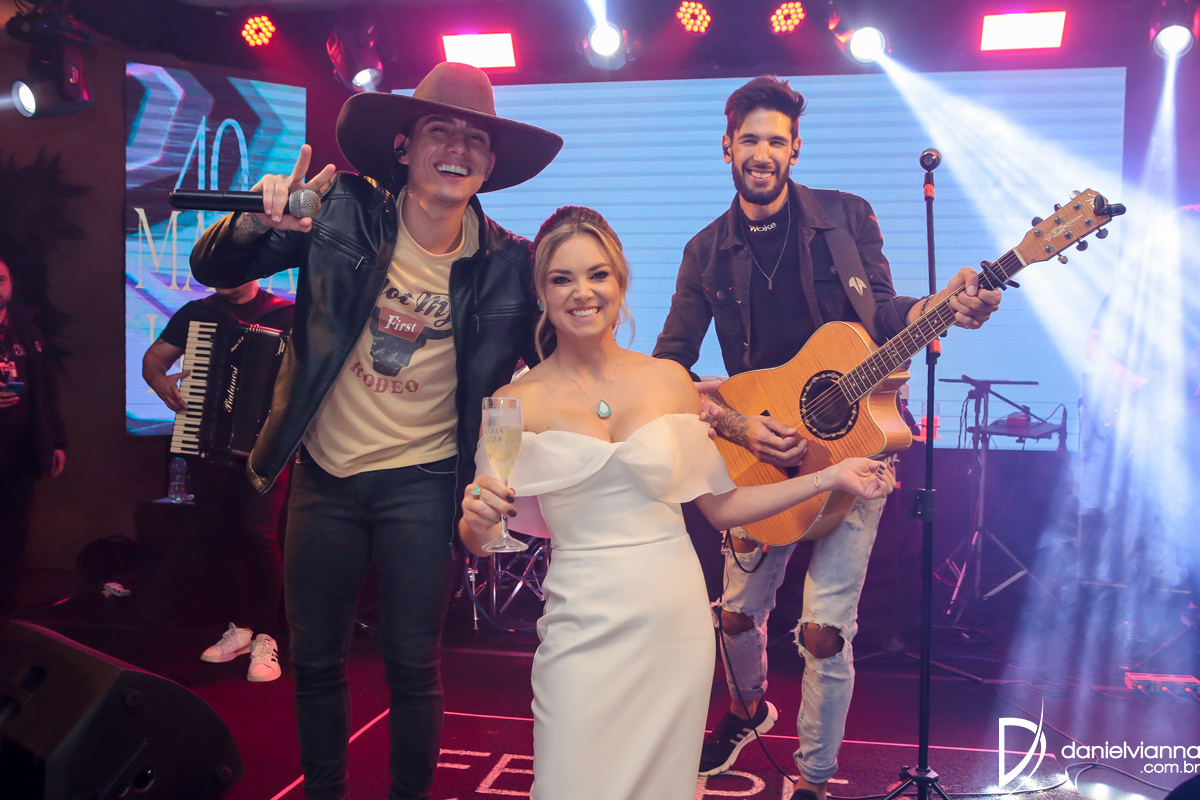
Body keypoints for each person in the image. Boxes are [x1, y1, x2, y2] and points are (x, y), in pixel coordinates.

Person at [189, 62, 562, 800]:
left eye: (475, 138)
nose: (457, 148)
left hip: (425, 482)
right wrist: (258, 221)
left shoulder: (508, 265)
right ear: (404, 146)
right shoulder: (341, 211)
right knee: (316, 661)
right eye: (439, 130)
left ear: (490, 163)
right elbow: (210, 265)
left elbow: (563, 367)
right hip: (325, 474)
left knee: (414, 667)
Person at [459, 206, 895, 800]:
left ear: (621, 283)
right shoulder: (510, 403)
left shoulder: (669, 381)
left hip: (673, 619)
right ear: (542, 292)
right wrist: (476, 520)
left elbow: (723, 507)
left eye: (597, 274)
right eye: (562, 279)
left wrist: (830, 477)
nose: (582, 292)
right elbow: (485, 534)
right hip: (579, 621)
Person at [651, 76, 1002, 797]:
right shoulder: (705, 251)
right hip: (758, 455)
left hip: (856, 448)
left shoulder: (846, 220)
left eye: (776, 141)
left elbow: (887, 316)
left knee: (823, 631)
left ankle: (812, 778)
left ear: (795, 149)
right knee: (735, 616)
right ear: (727, 146)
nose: (763, 153)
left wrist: (946, 305)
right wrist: (738, 424)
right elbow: (667, 369)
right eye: (750, 140)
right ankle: (747, 709)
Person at [142, 279, 294, 681]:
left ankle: (267, 636)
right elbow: (154, 359)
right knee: (219, 536)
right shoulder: (199, 314)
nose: (227, 281)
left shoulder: (287, 314)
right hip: (206, 442)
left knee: (258, 533)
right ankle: (239, 627)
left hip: (269, 450)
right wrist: (160, 382)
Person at [0, 254, 67, 620]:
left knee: (13, 539)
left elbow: (46, 390)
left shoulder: (27, 328)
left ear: (11, 283)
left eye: (1, 280)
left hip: (20, 452)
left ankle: (7, 618)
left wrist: (56, 441)